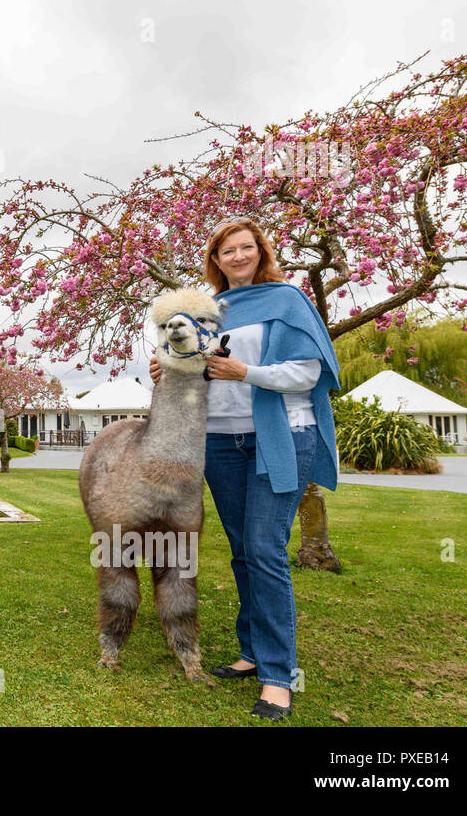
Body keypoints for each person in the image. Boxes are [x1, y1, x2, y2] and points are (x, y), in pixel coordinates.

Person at [149, 217, 339, 720]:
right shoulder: (207, 312)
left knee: (264, 549)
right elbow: (190, 371)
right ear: (215, 258)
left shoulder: (286, 300)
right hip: (221, 440)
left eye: (246, 247)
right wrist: (164, 367)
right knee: (241, 550)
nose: (237, 256)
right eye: (226, 250)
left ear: (260, 252)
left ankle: (279, 675)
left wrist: (246, 372)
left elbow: (310, 371)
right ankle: (252, 651)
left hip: (280, 435)